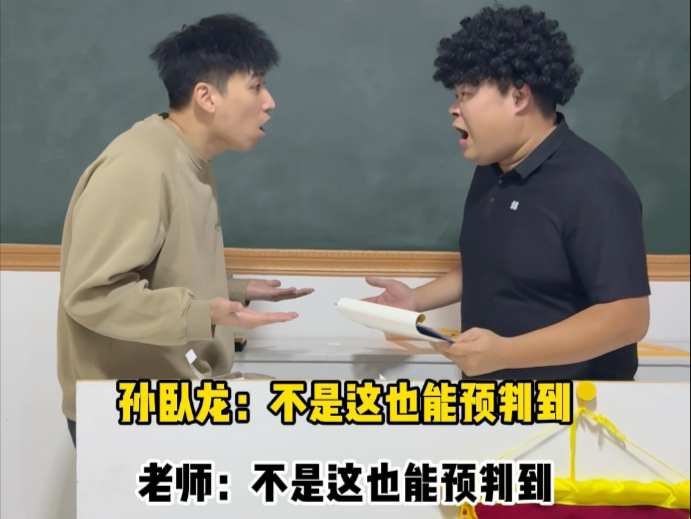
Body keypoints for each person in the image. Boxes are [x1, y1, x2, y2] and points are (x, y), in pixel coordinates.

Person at [57, 14, 313, 447]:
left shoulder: (186, 158)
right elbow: (91, 295)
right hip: (126, 414)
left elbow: (159, 272)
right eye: (256, 87)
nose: (268, 102)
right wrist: (206, 313)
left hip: (168, 404)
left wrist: (233, 289)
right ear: (206, 96)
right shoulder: (140, 166)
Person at [364, 5, 650, 381]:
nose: (453, 108)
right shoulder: (492, 170)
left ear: (518, 96)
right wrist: (417, 299)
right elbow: (499, 264)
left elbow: (628, 318)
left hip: (572, 408)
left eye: (466, 93)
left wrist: (506, 353)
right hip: (491, 401)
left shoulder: (594, 185)